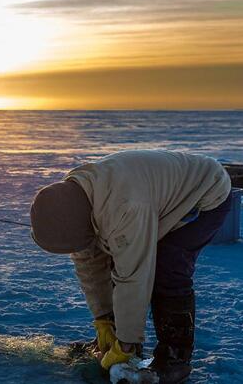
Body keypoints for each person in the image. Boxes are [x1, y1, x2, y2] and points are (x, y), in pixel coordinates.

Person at [29, 150, 231, 383]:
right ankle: (118, 337)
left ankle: (175, 357)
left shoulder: (125, 206)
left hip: (205, 193)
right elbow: (89, 261)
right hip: (152, 197)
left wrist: (126, 343)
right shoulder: (72, 198)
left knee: (168, 269)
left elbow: (134, 274)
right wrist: (103, 319)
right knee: (118, 254)